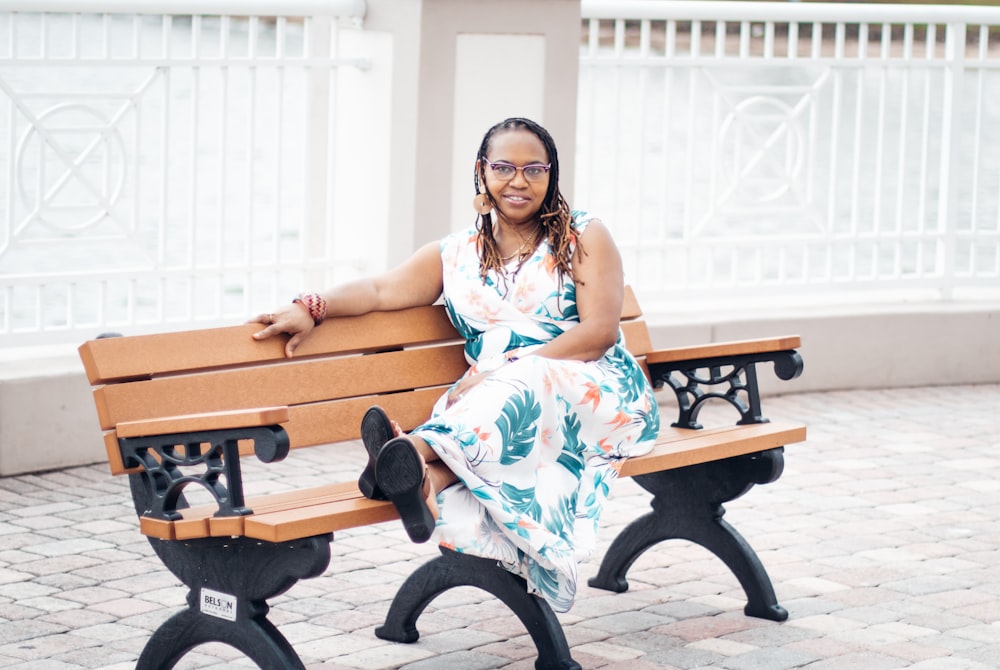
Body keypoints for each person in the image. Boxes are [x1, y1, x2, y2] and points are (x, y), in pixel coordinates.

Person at [251, 117, 660, 612]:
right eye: (505, 167)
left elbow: (598, 333)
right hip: (496, 404)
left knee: (523, 382)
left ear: (552, 175)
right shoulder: (457, 253)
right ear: (482, 172)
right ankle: (425, 481)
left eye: (535, 169)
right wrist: (311, 306)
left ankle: (407, 450)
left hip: (594, 392)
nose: (519, 181)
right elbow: (380, 289)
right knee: (507, 398)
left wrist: (509, 367)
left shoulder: (584, 236)